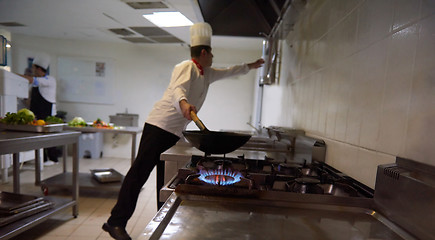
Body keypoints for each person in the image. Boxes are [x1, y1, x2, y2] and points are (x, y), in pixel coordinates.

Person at [102, 22, 264, 240]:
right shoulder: (186, 67)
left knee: (164, 180)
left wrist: (251, 66)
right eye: (212, 53)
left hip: (174, 132)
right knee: (139, 173)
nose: (214, 57)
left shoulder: (205, 73)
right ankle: (115, 222)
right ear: (204, 52)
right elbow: (178, 90)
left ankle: (161, 224)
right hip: (159, 126)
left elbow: (228, 72)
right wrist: (185, 104)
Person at [19, 54, 59, 165]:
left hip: (48, 114)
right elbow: (29, 99)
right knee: (39, 139)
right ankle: (43, 159)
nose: (32, 70)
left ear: (39, 68)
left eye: (34, 67)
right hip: (36, 114)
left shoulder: (49, 80)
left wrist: (10, 75)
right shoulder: (35, 84)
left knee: (49, 138)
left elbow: (32, 80)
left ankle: (53, 159)